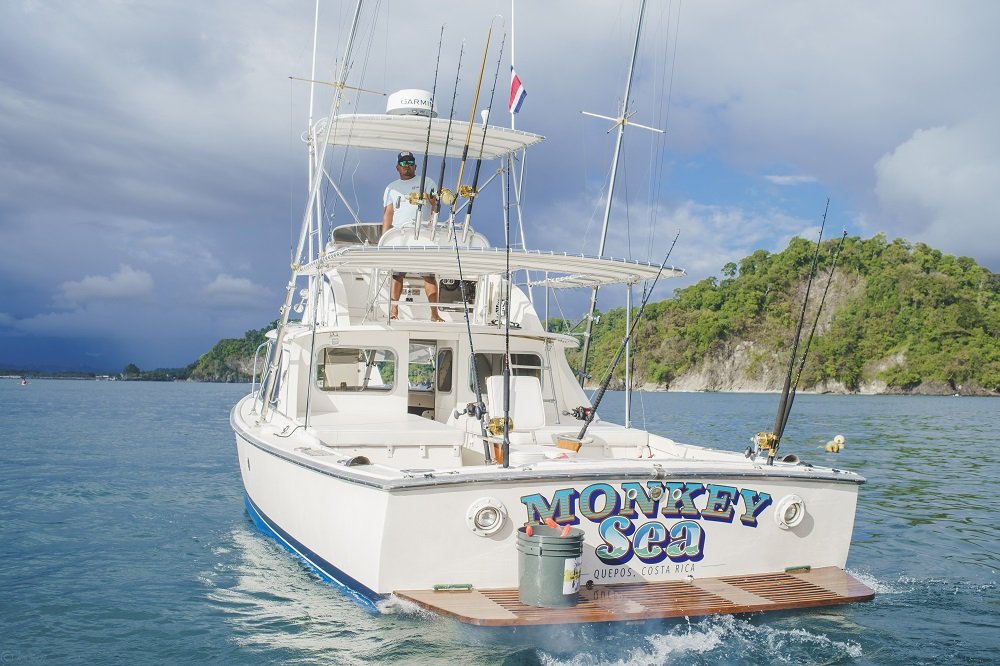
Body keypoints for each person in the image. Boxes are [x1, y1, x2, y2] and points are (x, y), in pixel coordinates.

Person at [382, 151, 442, 321]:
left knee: (429, 275)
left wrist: (434, 212)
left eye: (410, 162)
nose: (406, 165)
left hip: (423, 233)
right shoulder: (391, 188)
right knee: (397, 274)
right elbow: (388, 213)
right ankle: (394, 311)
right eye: (403, 163)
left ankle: (434, 314)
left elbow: (435, 206)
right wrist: (383, 240)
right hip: (399, 235)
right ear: (397, 168)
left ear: (415, 166)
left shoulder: (428, 182)